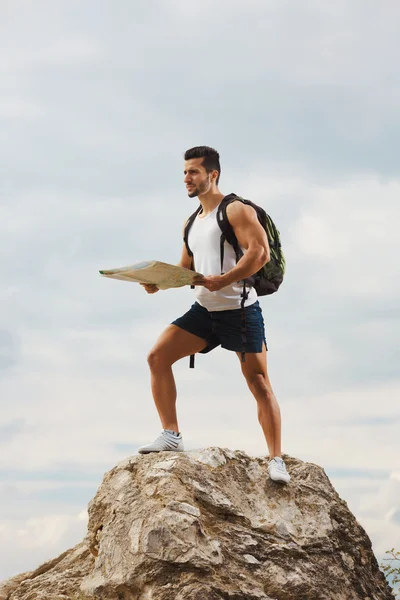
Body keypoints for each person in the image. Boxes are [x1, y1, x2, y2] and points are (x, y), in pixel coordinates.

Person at [138, 146, 290, 484]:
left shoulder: (235, 210)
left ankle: (276, 460)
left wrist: (224, 279)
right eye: (184, 173)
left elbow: (260, 253)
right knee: (157, 357)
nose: (186, 179)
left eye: (193, 172)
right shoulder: (191, 223)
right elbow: (184, 268)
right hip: (204, 312)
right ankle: (171, 434)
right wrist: (157, 283)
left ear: (212, 175)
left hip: (240, 310)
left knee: (260, 383)